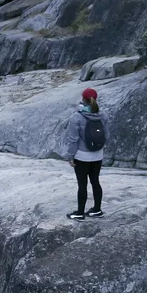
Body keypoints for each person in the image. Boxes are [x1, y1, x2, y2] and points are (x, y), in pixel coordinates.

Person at [62, 87, 108, 220]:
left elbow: (73, 139)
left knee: (82, 184)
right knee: (95, 182)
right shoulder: (102, 115)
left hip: (82, 156)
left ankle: (80, 213)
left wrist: (70, 156)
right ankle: (97, 210)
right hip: (98, 154)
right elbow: (107, 135)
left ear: (82, 99)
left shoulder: (77, 117)